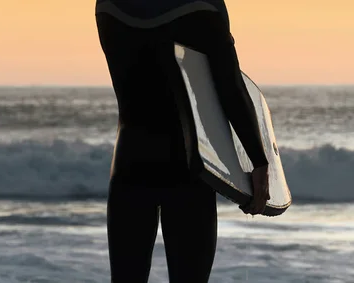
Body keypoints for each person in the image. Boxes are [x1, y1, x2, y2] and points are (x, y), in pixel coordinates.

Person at [94, 0, 270, 282]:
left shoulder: (108, 5)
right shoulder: (202, 5)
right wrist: (259, 160)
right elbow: (230, 87)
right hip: (188, 169)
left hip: (130, 163)